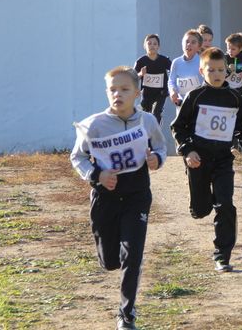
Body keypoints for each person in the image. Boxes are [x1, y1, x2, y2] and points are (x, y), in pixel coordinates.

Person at [70, 66, 167, 330]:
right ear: (106, 93)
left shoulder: (147, 121)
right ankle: (112, 260)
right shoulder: (94, 125)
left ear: (137, 93)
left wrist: (156, 159)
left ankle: (126, 314)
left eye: (124, 89)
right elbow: (77, 157)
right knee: (111, 261)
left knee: (132, 255)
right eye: (113, 90)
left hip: (137, 195)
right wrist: (97, 175)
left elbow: (160, 146)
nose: (118, 94)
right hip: (106, 197)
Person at [171, 47, 242, 272]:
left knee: (225, 204)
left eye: (221, 70)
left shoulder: (234, 98)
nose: (217, 74)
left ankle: (222, 255)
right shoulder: (195, 96)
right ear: (202, 71)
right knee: (200, 210)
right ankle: (204, 201)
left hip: (223, 160)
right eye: (211, 70)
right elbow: (178, 127)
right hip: (198, 159)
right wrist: (188, 151)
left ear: (226, 71)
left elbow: (240, 127)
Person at [133, 33, 172, 124]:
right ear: (145, 46)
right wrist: (141, 74)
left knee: (156, 112)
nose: (152, 46)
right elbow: (133, 77)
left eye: (155, 44)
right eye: (149, 43)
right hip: (147, 92)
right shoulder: (141, 61)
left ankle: (156, 129)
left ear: (158, 46)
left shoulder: (164, 60)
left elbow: (174, 71)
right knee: (146, 114)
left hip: (161, 92)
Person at [168, 29, 203, 108]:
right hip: (182, 104)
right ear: (182, 44)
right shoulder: (176, 62)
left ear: (199, 47)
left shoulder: (202, 62)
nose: (189, 44)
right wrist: (172, 91)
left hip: (198, 104)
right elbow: (171, 81)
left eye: (193, 42)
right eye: (187, 41)